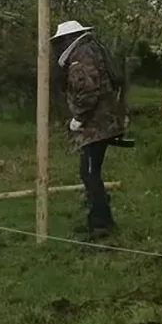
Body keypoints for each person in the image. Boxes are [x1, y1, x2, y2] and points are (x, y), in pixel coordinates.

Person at [52, 20, 128, 238]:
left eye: (61, 40)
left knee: (89, 173)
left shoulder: (80, 56)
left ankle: (101, 224)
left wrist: (78, 118)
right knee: (90, 172)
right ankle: (98, 218)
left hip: (97, 125)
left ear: (68, 38)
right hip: (104, 122)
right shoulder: (91, 50)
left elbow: (87, 92)